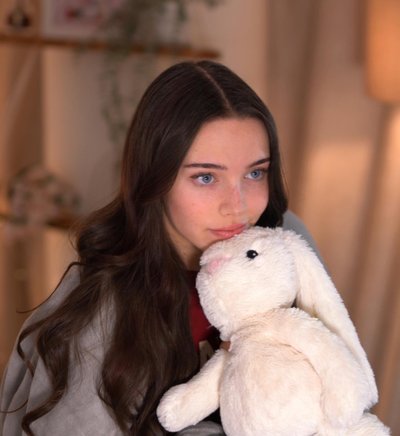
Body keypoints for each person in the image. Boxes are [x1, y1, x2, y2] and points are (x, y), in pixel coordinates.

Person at [0, 60, 319, 435]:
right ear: (155, 177)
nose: (238, 206)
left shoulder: (284, 248)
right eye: (205, 177)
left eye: (254, 173)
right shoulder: (102, 314)